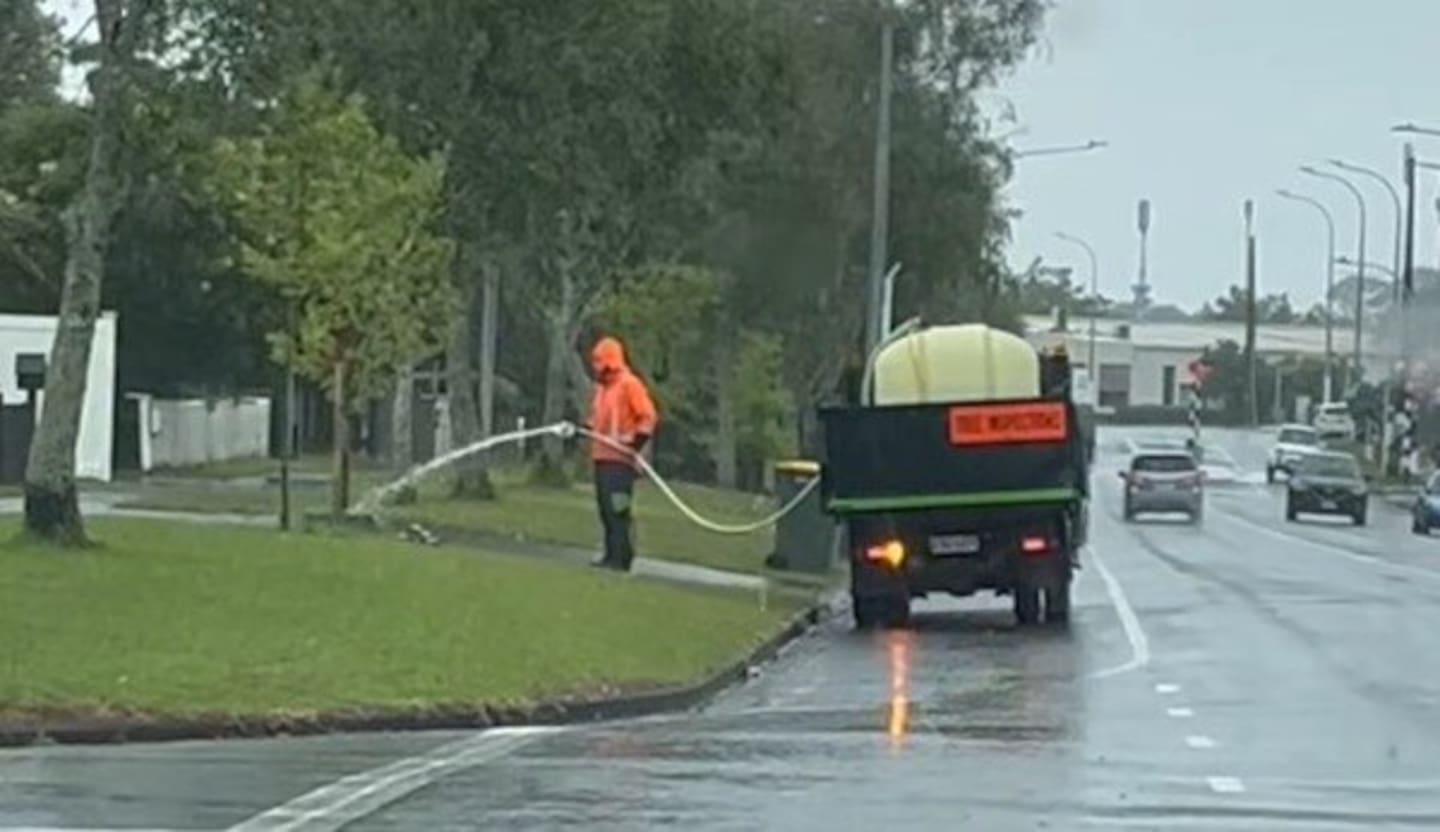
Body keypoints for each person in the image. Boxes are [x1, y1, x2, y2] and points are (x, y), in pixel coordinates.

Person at [588, 335, 658, 571]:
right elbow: (598, 422)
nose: (595, 367)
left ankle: (622, 557)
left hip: (621, 462)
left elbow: (647, 417)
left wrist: (635, 444)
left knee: (619, 509)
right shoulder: (602, 390)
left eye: (598, 362)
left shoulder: (629, 385)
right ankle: (610, 554)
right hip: (602, 458)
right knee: (605, 509)